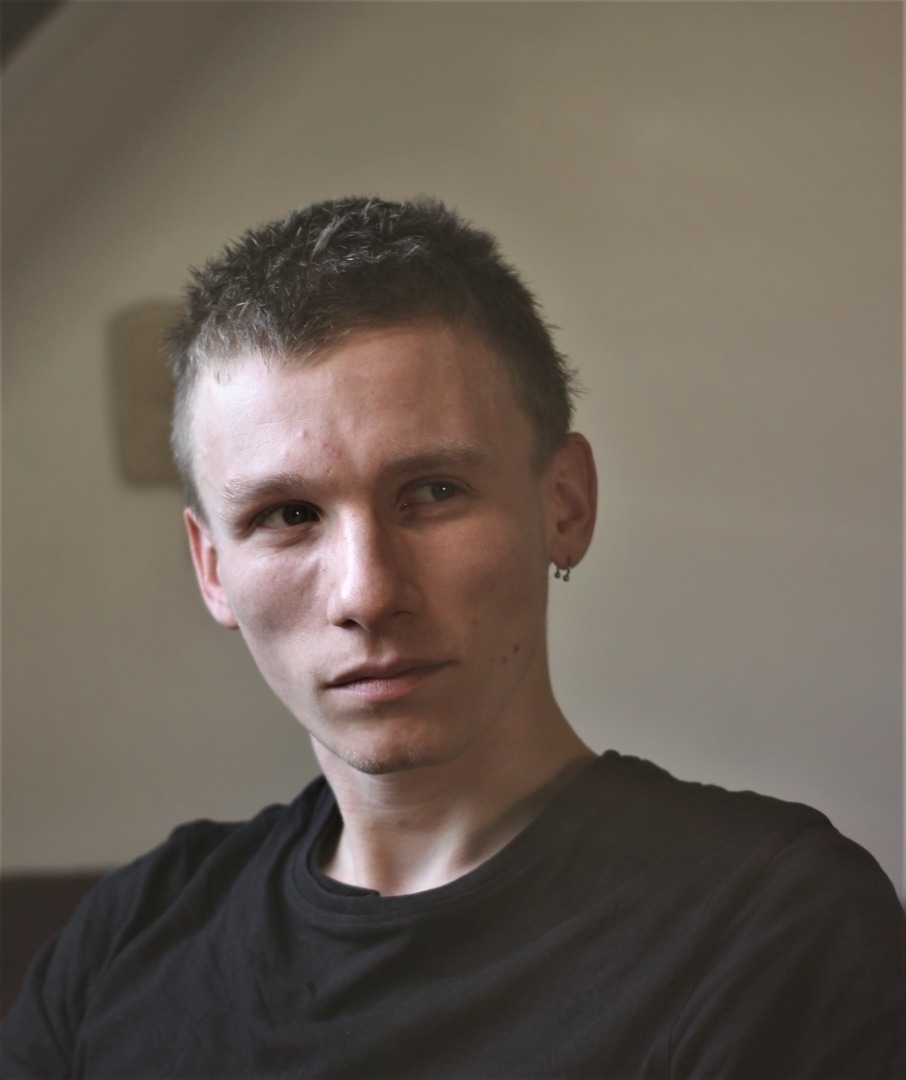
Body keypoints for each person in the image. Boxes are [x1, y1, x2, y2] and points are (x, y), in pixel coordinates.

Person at [3, 197, 904, 1078]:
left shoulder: (774, 927)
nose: (368, 593)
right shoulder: (129, 935)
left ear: (565, 505)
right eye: (288, 514)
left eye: (433, 492)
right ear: (211, 568)